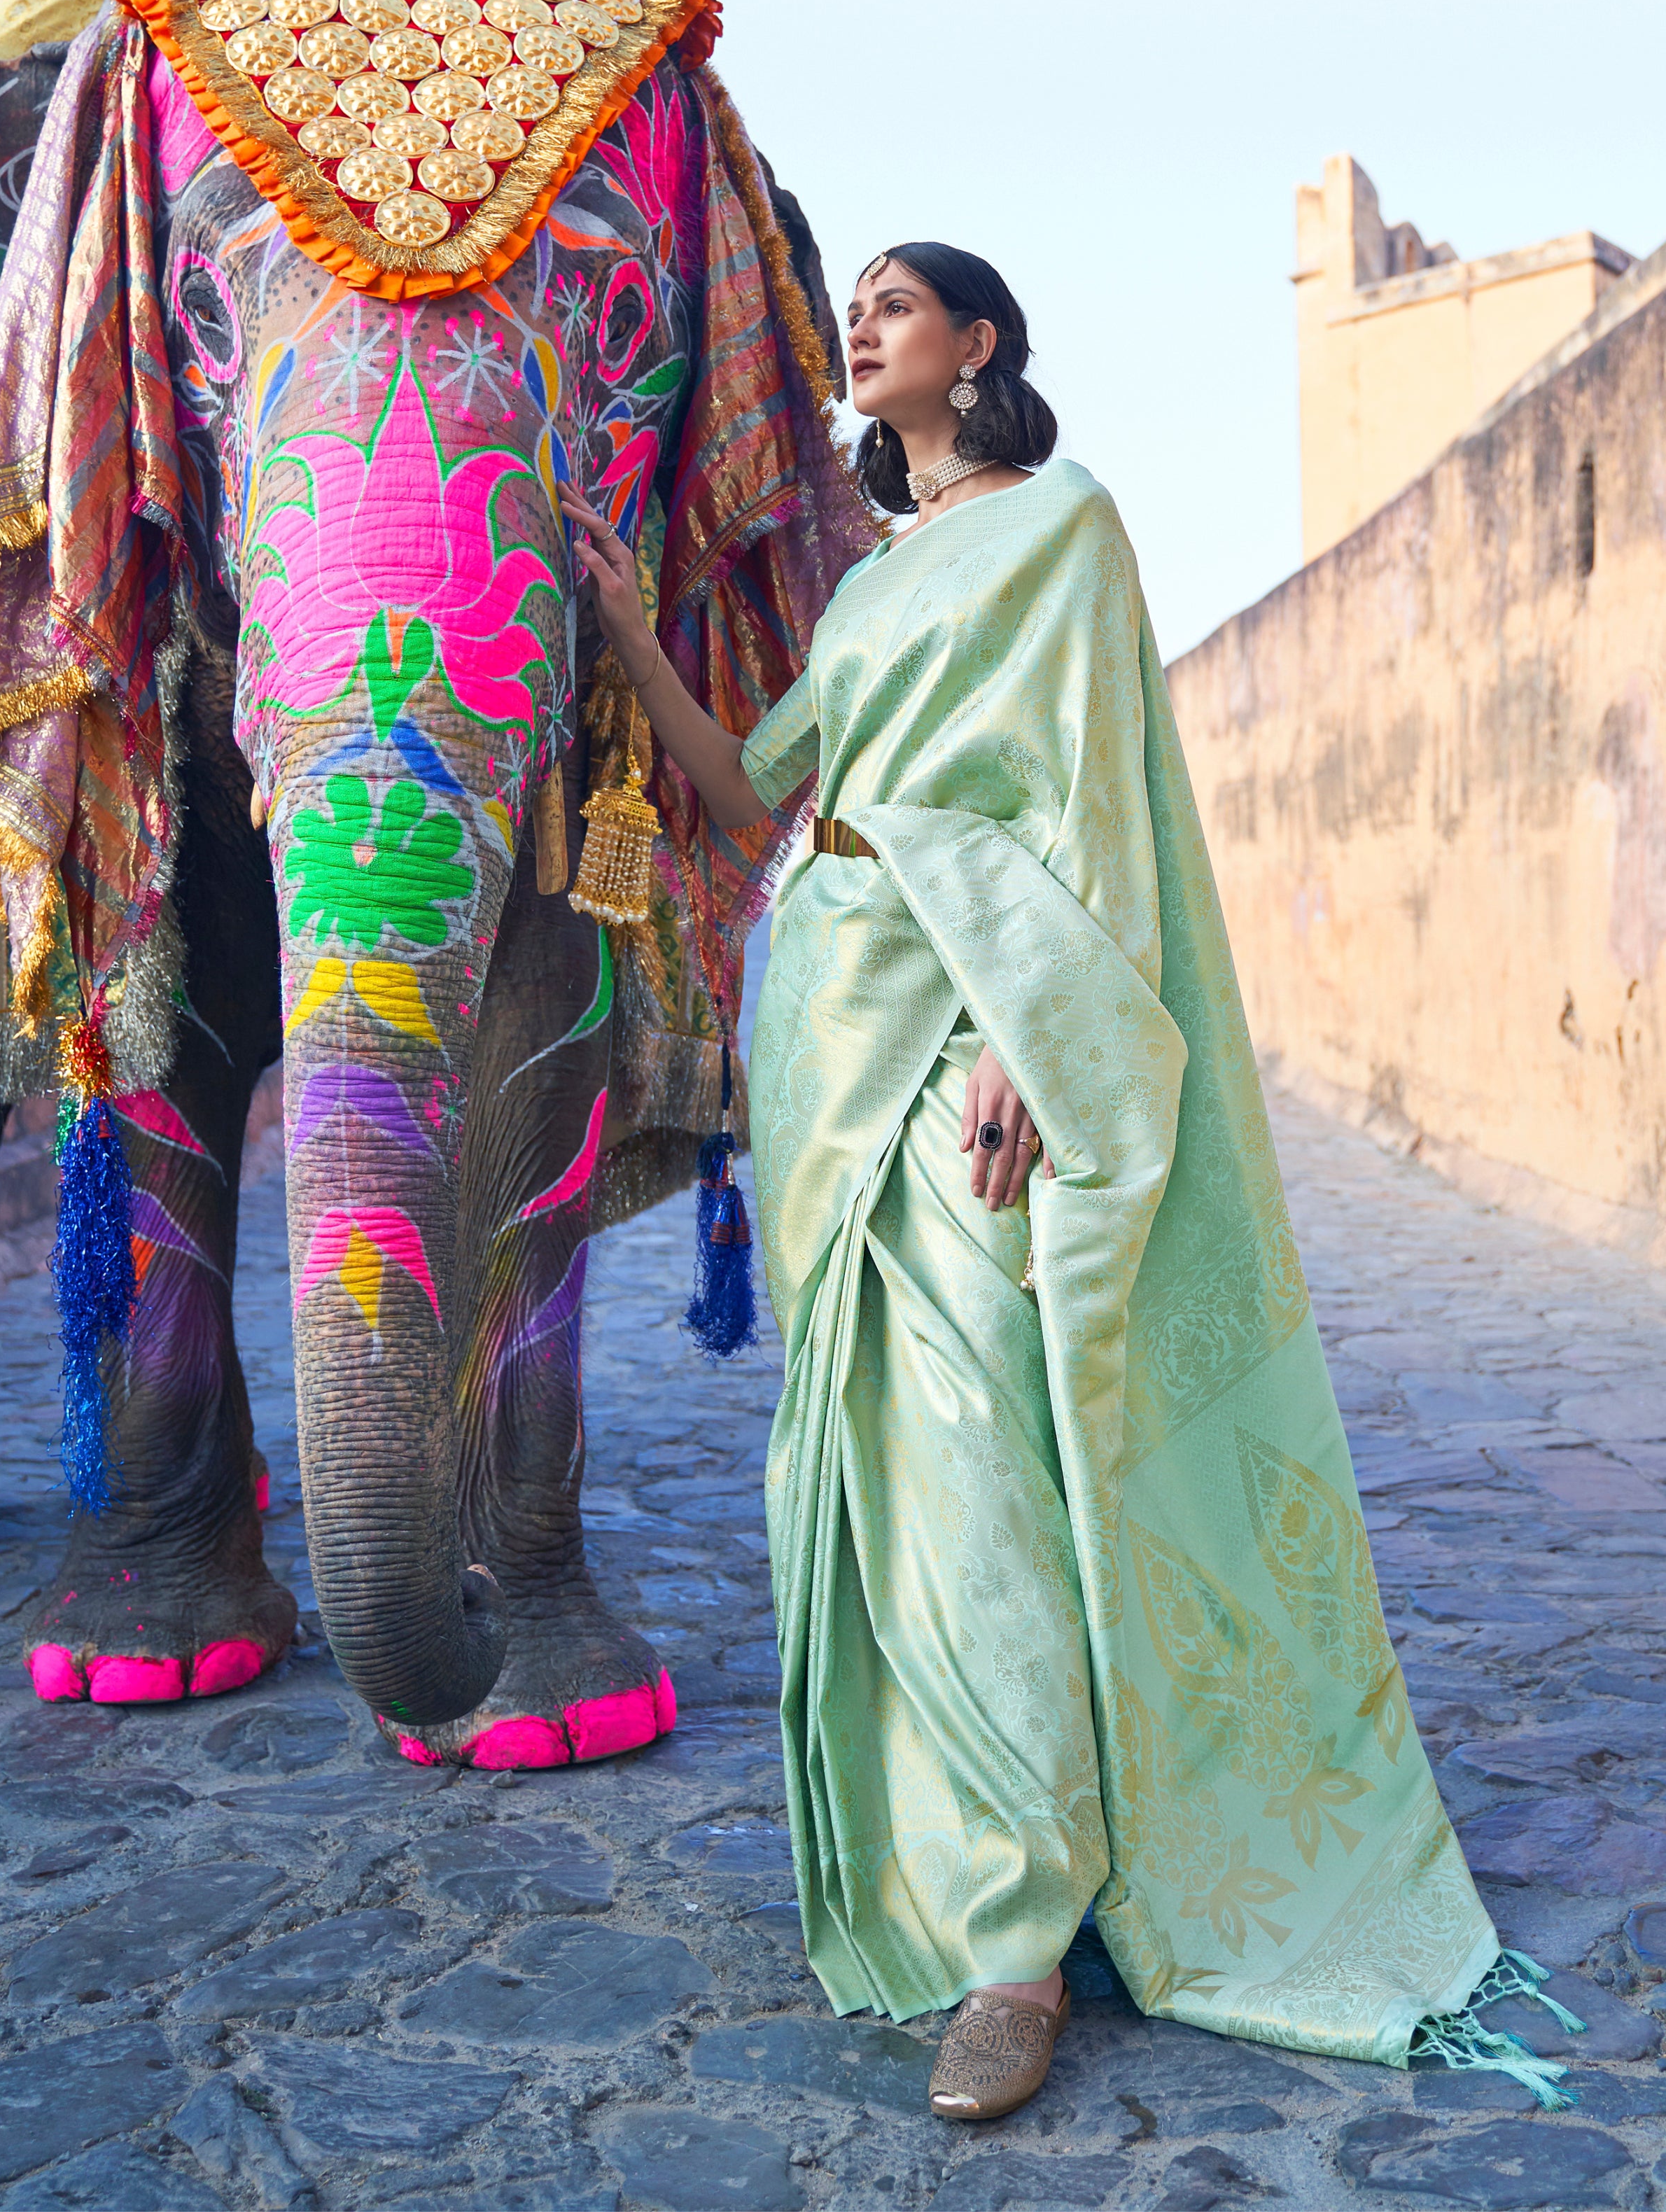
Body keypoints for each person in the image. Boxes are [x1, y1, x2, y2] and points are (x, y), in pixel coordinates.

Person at [559, 244, 1580, 2123]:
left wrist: (1040, 1035)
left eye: (898, 302)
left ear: (983, 344)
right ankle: (952, 1867)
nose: (862, 327)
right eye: (853, 303)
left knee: (975, 1462)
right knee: (868, 1457)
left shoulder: (1065, 526)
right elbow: (745, 788)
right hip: (824, 1016)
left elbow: (1093, 795)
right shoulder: (877, 578)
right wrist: (623, 627)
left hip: (971, 1017)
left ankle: (1021, 1942)